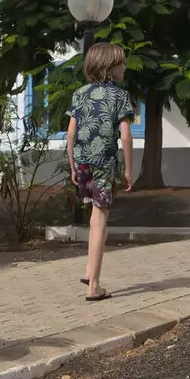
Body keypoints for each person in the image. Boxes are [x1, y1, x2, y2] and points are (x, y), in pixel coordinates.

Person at [66, 42, 135, 301]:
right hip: (104, 163)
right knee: (100, 219)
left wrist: (72, 163)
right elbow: (126, 137)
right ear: (109, 68)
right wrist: (129, 169)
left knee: (95, 216)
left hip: (83, 161)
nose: (125, 67)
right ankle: (93, 285)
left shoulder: (80, 93)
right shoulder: (120, 96)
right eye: (121, 64)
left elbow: (71, 132)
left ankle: (89, 270)